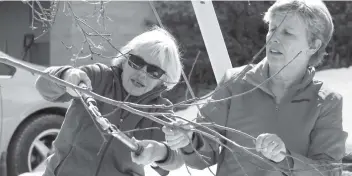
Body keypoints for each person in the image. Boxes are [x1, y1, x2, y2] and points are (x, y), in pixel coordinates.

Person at [133, 0, 348, 176]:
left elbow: (328, 171)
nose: (273, 38)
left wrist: (287, 159)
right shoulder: (235, 82)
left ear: (314, 45)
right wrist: (189, 140)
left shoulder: (327, 101)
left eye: (287, 33)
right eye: (272, 29)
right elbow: (203, 155)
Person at [34, 26, 184, 176]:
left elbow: (178, 156)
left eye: (153, 72)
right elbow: (43, 85)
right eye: (136, 62)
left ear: (163, 80)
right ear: (125, 60)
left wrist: (159, 152)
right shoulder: (98, 78)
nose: (142, 74)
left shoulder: (158, 110)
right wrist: (66, 76)